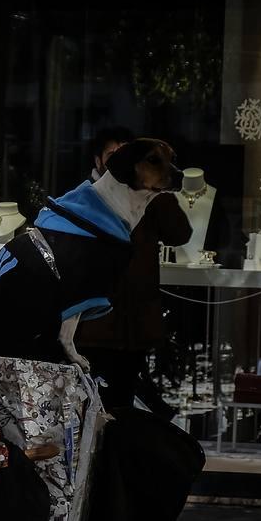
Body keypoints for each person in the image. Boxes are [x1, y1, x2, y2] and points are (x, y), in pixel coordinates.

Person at [76, 128, 191, 415]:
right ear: (99, 160)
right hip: (93, 329)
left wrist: (158, 193)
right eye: (113, 155)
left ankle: (118, 458)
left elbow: (180, 233)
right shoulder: (85, 200)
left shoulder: (151, 202)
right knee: (90, 406)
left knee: (123, 407)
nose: (121, 163)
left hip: (135, 328)